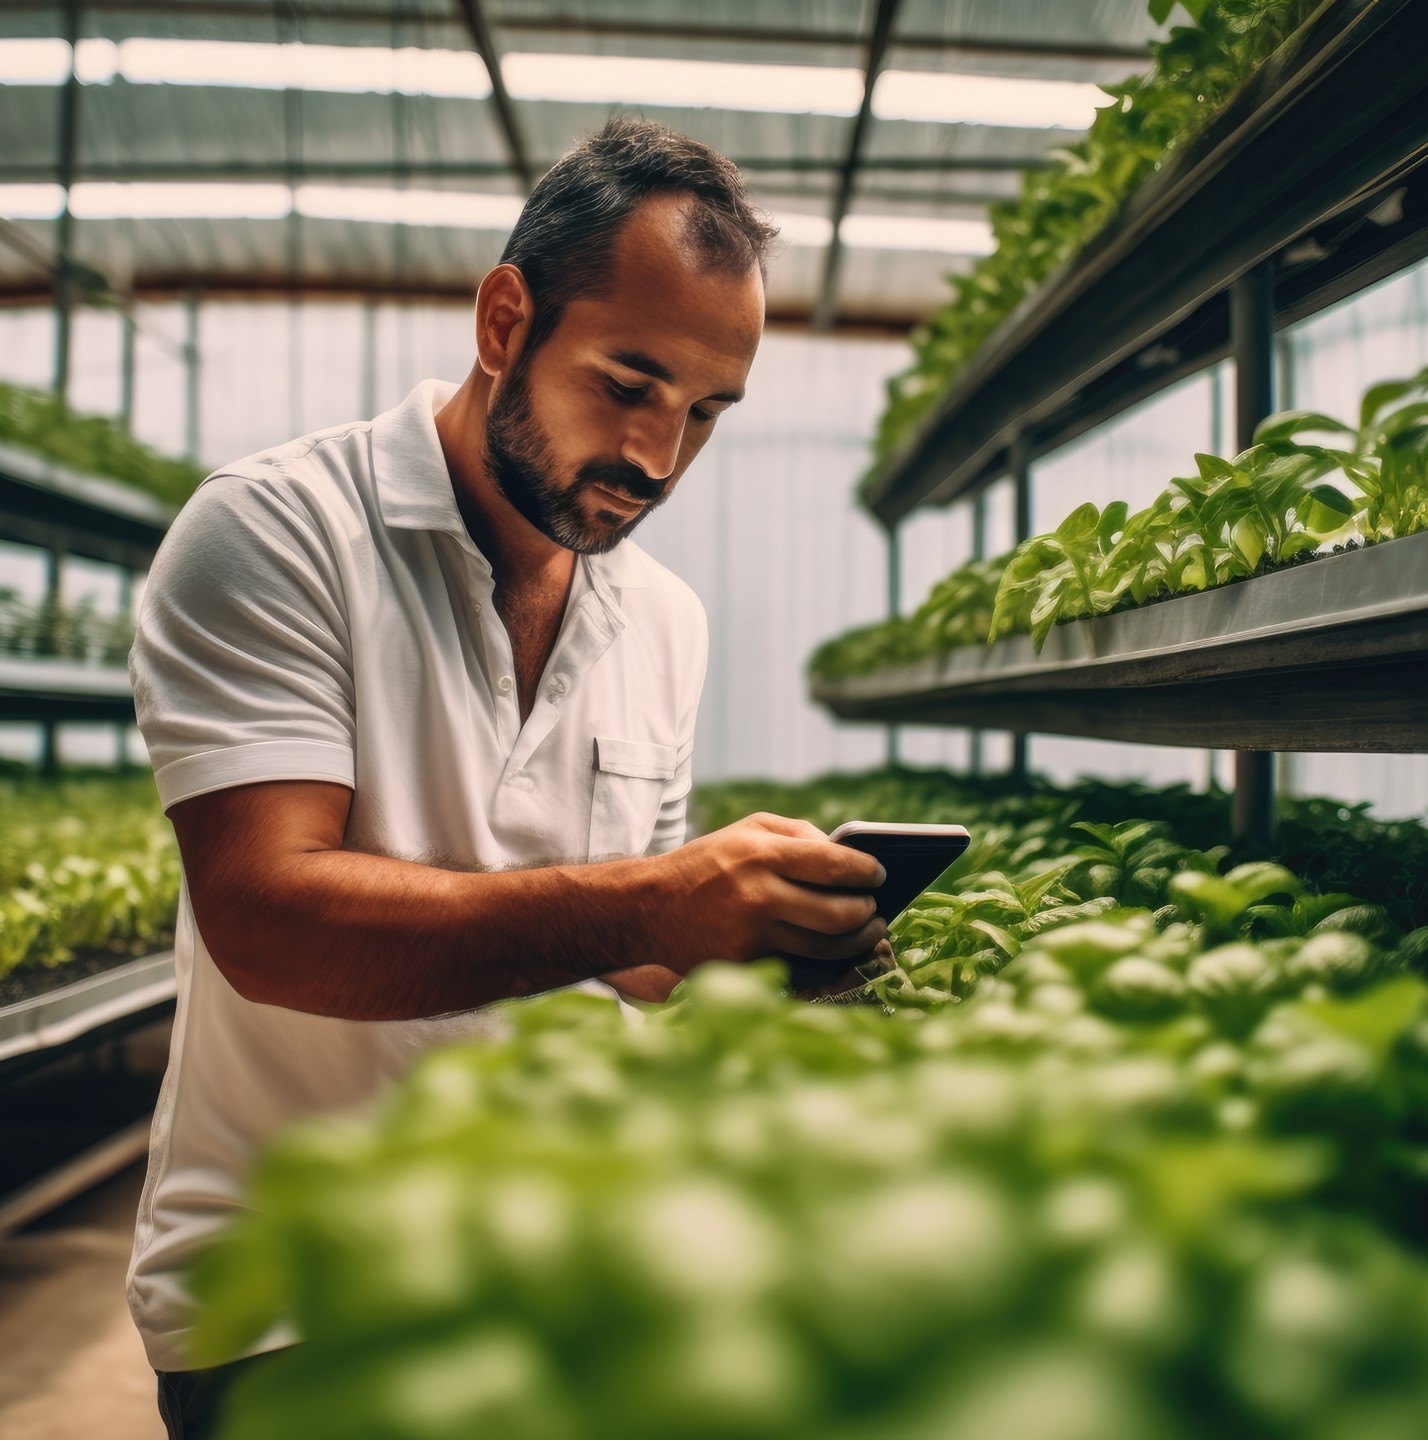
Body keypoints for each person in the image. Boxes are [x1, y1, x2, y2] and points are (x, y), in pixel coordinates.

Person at [127, 116, 888, 1438]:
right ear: (504, 319)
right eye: (630, 384)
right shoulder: (278, 532)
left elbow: (625, 971)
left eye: (707, 413)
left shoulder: (665, 621)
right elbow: (266, 918)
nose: (658, 457)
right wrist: (658, 897)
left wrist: (759, 944)